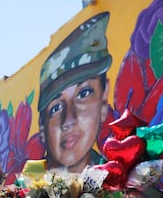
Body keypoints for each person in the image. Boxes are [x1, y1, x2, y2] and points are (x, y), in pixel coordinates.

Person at [37, 12, 112, 174]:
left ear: (103, 101)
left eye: (84, 93)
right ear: (42, 128)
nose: (68, 120)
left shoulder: (125, 185)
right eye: (56, 108)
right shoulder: (21, 190)